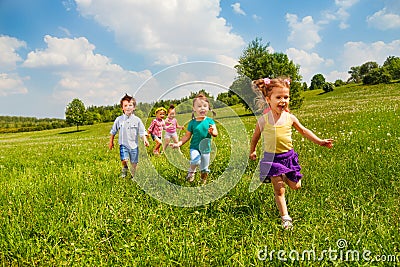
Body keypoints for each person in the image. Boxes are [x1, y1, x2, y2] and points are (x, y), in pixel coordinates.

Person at [249, 77, 333, 229]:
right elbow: (255, 137)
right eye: (278, 97)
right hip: (271, 159)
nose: (283, 100)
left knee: (296, 186)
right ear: (268, 99)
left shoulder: (290, 118)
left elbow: (303, 130)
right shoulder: (263, 120)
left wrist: (320, 141)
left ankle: (286, 174)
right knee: (279, 190)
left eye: (286, 97)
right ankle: (285, 218)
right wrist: (253, 150)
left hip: (288, 157)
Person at [172, 93, 218, 184]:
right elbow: (187, 136)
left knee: (204, 169)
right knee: (195, 160)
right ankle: (191, 172)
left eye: (205, 106)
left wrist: (212, 132)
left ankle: (203, 182)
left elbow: (216, 133)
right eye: (199, 106)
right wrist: (178, 144)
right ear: (194, 108)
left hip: (206, 149)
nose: (202, 108)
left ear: (208, 107)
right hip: (195, 147)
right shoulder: (192, 123)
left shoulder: (210, 121)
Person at [109, 93, 149, 179]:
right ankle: (124, 168)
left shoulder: (137, 120)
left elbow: (142, 132)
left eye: (130, 105)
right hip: (123, 145)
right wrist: (111, 142)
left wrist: (145, 140)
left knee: (134, 163)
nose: (128, 107)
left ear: (134, 107)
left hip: (134, 146)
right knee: (124, 160)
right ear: (122, 108)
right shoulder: (119, 120)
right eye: (125, 105)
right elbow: (113, 132)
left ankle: (133, 176)